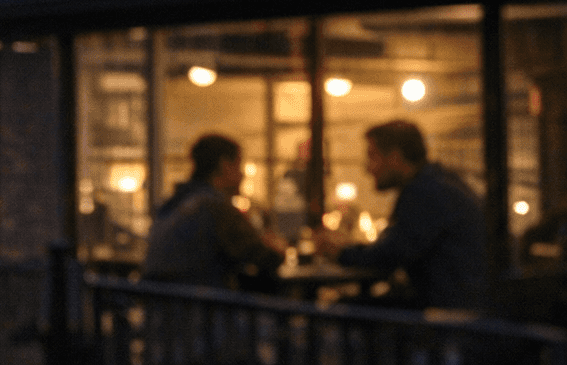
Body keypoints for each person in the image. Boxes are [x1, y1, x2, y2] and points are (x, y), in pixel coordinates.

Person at [315, 119, 487, 309]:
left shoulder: (424, 192)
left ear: (395, 158)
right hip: (466, 305)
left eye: (372, 156)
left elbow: (387, 256)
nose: (367, 169)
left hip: (452, 315)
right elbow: (394, 247)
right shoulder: (436, 182)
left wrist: (339, 252)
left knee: (341, 311)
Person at [142, 134, 286, 288]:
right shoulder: (215, 207)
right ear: (224, 165)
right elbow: (266, 257)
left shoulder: (175, 203)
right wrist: (278, 247)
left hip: (162, 305)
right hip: (202, 306)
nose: (242, 175)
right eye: (238, 165)